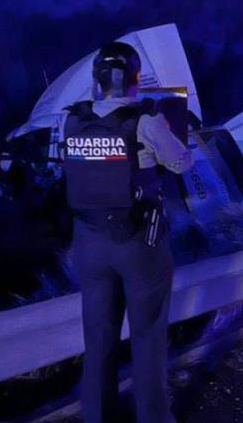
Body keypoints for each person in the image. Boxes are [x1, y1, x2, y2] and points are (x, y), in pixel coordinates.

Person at [61, 41, 193, 423]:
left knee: (98, 341)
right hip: (138, 243)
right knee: (148, 338)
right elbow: (181, 163)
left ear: (97, 80)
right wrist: (167, 128)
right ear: (136, 79)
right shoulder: (146, 121)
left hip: (88, 243)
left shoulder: (70, 120)